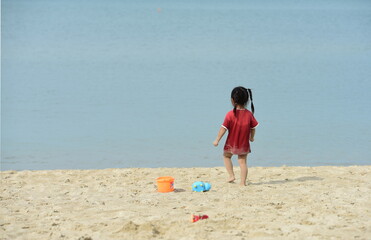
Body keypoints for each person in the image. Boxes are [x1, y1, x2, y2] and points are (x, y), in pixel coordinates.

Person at [213, 86, 259, 186]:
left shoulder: (230, 115)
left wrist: (217, 140)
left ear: (232, 100)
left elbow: (223, 128)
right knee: (242, 162)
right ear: (246, 100)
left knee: (226, 156)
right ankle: (242, 182)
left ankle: (231, 175)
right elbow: (253, 128)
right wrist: (252, 137)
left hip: (231, 143)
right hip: (243, 144)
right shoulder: (249, 114)